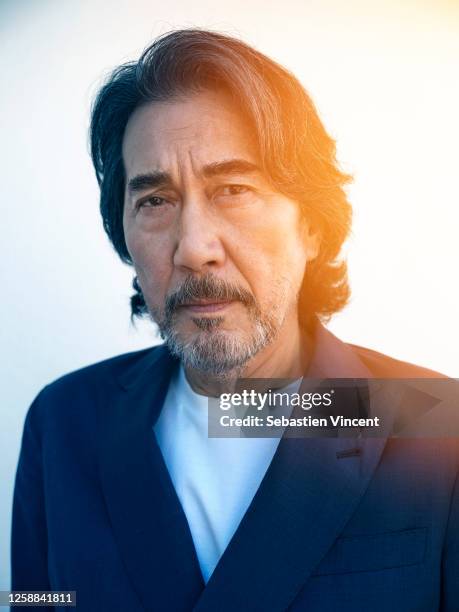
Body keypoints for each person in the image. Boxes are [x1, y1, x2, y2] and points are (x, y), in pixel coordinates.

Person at [11, 29, 458, 611]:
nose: (194, 247)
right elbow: (35, 600)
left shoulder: (435, 424)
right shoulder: (64, 424)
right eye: (155, 201)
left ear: (313, 227)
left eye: (234, 189)